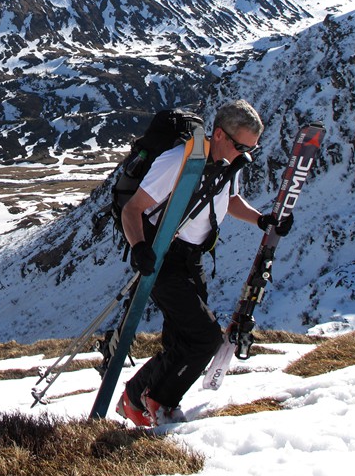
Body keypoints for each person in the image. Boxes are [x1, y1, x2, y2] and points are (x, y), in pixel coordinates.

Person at [115, 99, 293, 427]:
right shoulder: (177, 162)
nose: (246, 155)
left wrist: (261, 221)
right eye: (241, 146)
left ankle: (134, 398)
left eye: (252, 148)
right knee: (205, 337)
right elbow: (133, 209)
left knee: (182, 343)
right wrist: (139, 247)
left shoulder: (228, 163)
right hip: (163, 257)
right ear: (220, 135)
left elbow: (231, 200)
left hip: (193, 259)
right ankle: (161, 403)